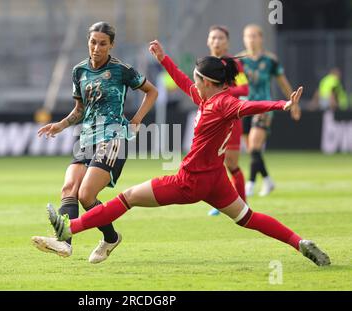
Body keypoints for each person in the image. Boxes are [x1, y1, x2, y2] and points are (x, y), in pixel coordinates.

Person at [32, 40, 330, 267]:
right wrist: (163, 59)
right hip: (215, 180)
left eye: (198, 79)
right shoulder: (209, 99)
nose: (193, 83)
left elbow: (247, 107)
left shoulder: (223, 104)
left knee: (128, 197)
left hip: (190, 181)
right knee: (248, 217)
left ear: (210, 83)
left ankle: (71, 228)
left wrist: (281, 105)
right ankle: (299, 241)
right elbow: (185, 82)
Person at [32, 21, 158, 264]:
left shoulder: (122, 70)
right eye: (93, 42)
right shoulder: (79, 71)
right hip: (86, 137)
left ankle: (105, 238)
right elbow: (80, 109)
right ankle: (68, 243)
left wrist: (137, 119)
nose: (97, 48)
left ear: (111, 45)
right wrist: (61, 124)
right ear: (87, 43)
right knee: (69, 188)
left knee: (86, 194)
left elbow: (152, 91)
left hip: (112, 136)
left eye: (102, 43)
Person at [240, 24, 301, 197]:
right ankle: (267, 180)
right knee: (253, 149)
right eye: (247, 36)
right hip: (243, 108)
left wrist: (293, 103)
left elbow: (283, 82)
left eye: (254, 36)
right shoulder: (239, 60)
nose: (251, 39)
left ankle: (250, 185)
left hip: (264, 107)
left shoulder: (270, 60)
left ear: (261, 38)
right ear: (244, 39)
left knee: (254, 145)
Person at [205, 25, 249, 216]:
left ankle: (243, 205)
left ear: (227, 42)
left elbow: (245, 89)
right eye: (213, 38)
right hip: (210, 121)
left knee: (231, 164)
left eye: (220, 38)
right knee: (213, 163)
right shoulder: (205, 64)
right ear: (208, 41)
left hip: (230, 119)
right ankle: (222, 202)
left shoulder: (233, 64)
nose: (216, 41)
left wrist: (225, 92)